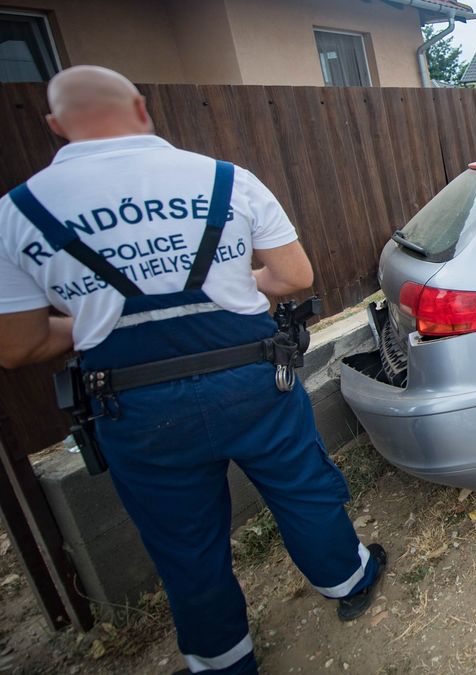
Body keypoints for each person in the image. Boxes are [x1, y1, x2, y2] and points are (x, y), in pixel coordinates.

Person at [0, 66, 385, 674]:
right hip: (252, 380)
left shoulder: (16, 212)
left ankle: (224, 660)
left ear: (54, 127)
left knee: (183, 543)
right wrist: (230, 288)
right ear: (142, 108)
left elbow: (17, 346)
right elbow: (292, 279)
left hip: (134, 405)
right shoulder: (226, 180)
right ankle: (349, 582)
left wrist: (98, 317)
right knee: (303, 491)